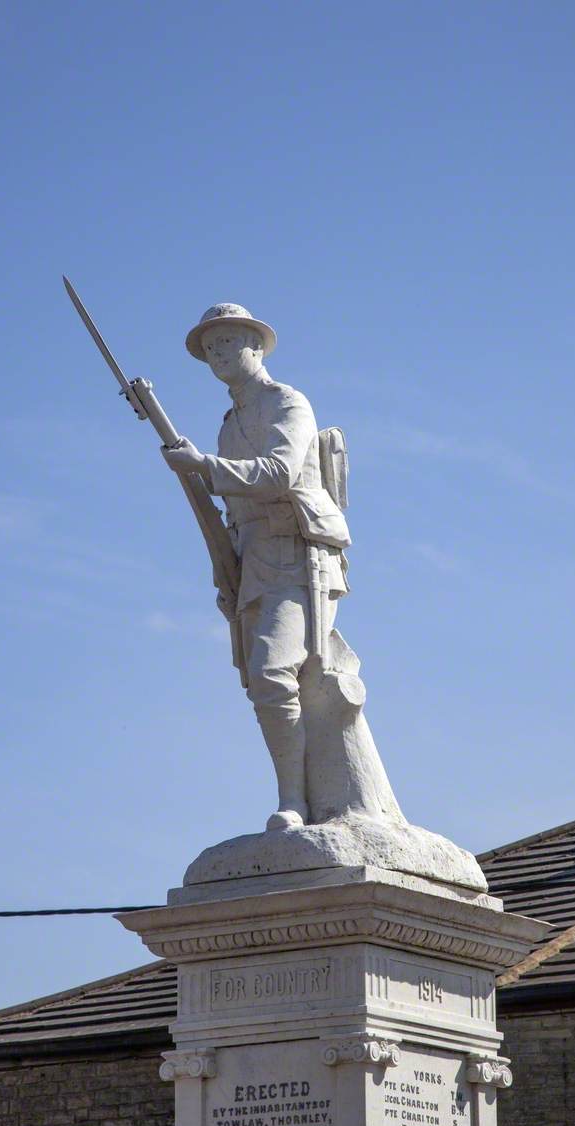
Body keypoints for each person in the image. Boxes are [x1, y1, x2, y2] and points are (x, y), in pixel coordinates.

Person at [162, 303, 350, 831]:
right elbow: (233, 507)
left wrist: (203, 466)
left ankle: (295, 801)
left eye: (228, 342)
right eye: (211, 347)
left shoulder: (286, 401)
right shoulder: (230, 423)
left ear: (255, 346)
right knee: (260, 681)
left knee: (273, 673)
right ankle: (299, 794)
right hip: (255, 561)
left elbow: (280, 473)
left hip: (298, 554)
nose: (218, 354)